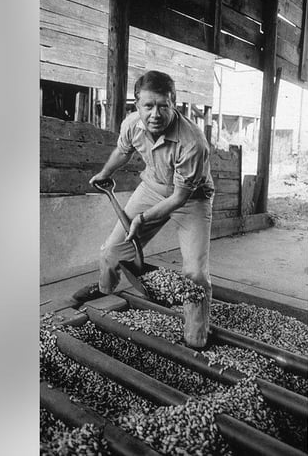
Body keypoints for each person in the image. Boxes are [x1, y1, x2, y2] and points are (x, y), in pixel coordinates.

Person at [73, 71, 214, 334]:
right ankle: (104, 292)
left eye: (163, 105)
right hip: (152, 188)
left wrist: (142, 219)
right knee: (111, 252)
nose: (155, 114)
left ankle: (197, 331)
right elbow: (123, 151)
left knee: (194, 273)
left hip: (191, 199)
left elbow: (179, 198)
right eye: (148, 106)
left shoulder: (193, 142)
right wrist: (105, 173)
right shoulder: (132, 124)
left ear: (175, 104)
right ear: (137, 105)